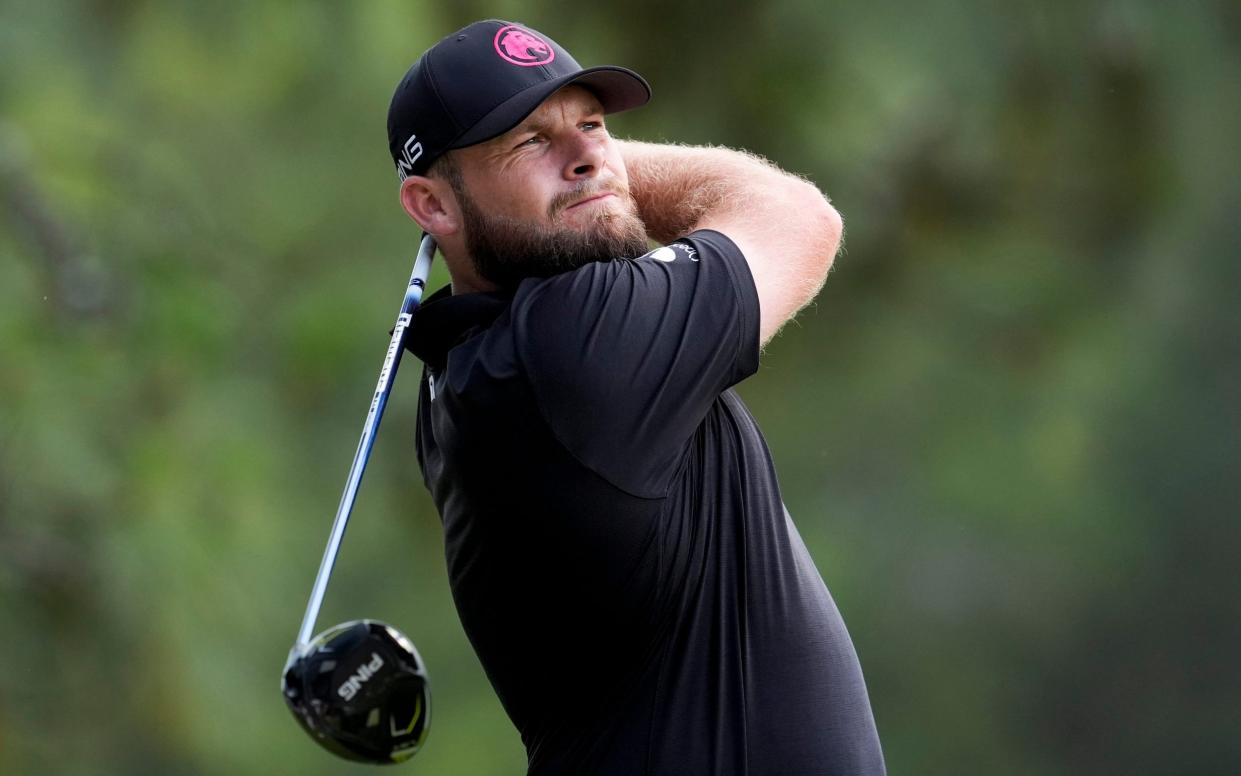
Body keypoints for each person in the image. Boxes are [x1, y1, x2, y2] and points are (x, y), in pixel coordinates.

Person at [388, 19, 885, 776]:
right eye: (528, 142)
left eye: (592, 124)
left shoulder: (465, 377)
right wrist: (601, 176)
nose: (587, 153)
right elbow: (798, 217)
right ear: (432, 208)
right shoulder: (572, 345)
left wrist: (573, 172)